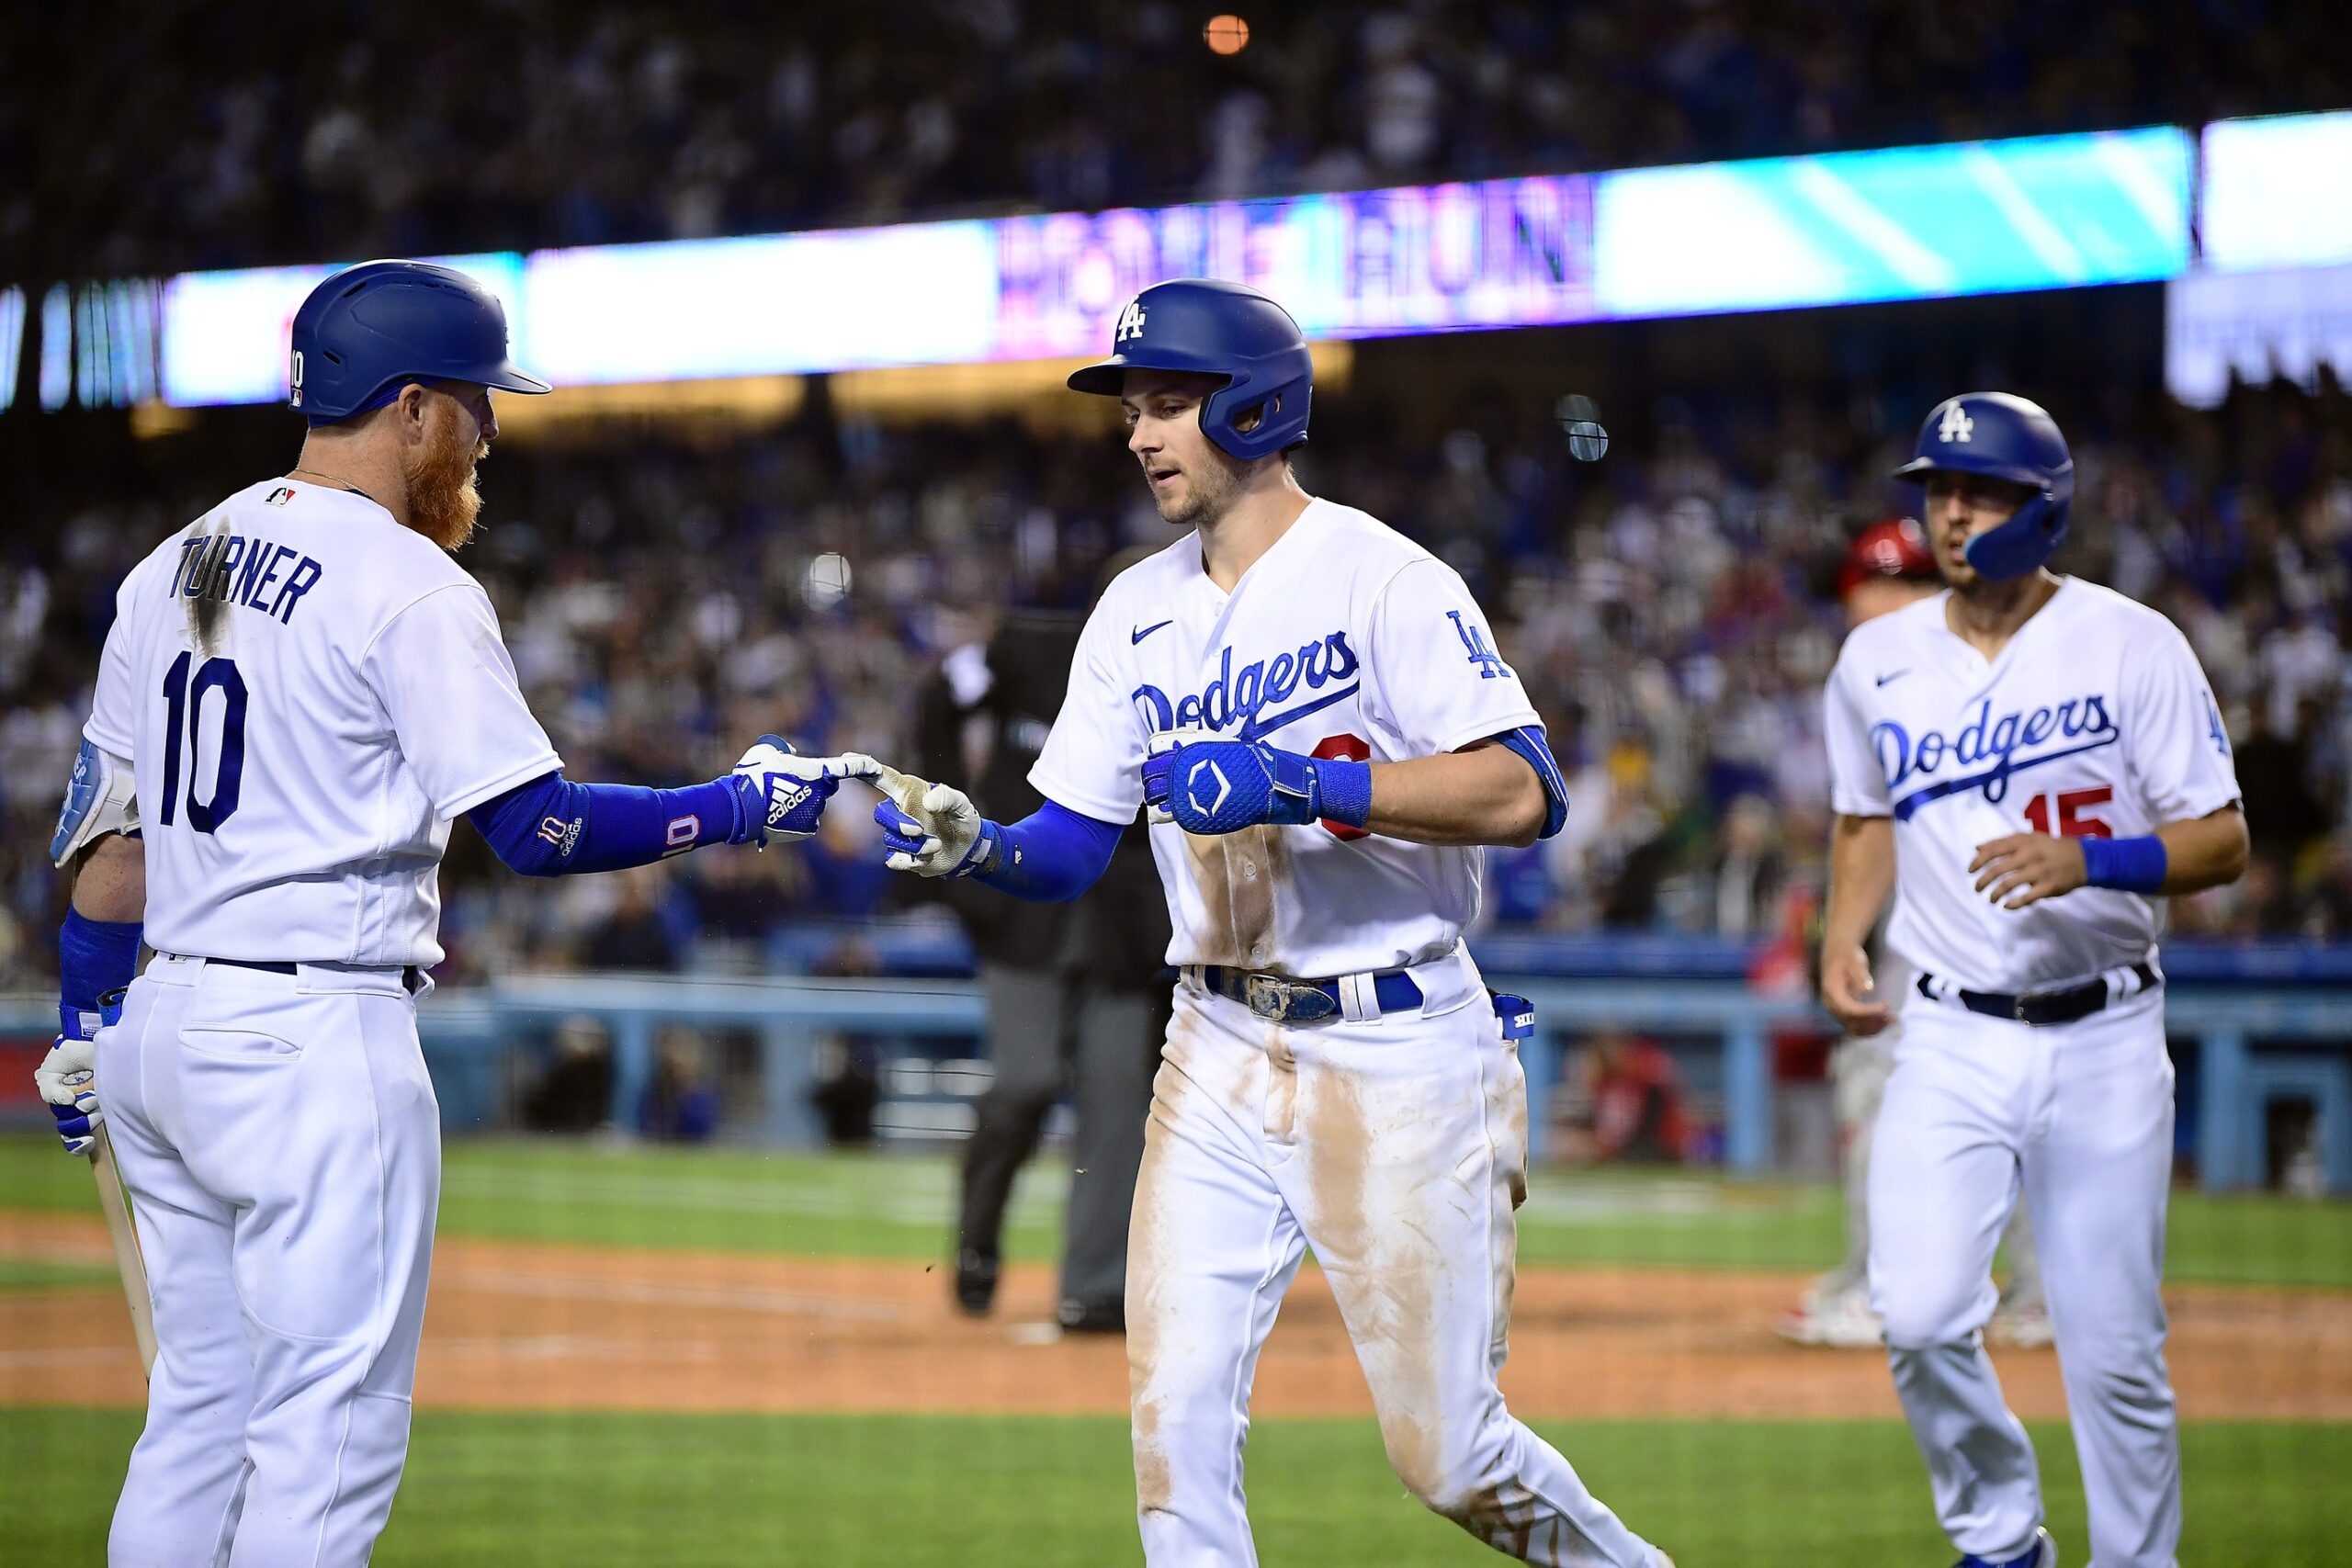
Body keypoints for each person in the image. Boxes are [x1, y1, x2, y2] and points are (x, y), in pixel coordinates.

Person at [33, 258, 857, 1568]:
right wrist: (743, 805)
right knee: (328, 1432)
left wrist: (84, 1020)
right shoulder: (407, 582)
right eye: (474, 404)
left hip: (163, 1030)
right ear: (410, 406)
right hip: (310, 1037)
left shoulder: (167, 567)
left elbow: (108, 864)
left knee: (194, 1419)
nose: (487, 434)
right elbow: (539, 828)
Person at [849, 278, 1672, 1566]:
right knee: (1173, 1427)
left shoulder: (1381, 575)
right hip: (1216, 1039)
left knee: (1449, 1454)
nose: (1138, 432)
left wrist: (1310, 783)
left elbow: (1526, 788)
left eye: (1168, 403)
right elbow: (1070, 847)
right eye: (1134, 406)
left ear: (1254, 406)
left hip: (1395, 1039)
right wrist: (982, 847)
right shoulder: (1133, 609)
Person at [1819, 393, 2247, 1568]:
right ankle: (2002, 1539)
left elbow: (2221, 839)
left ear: (2043, 506)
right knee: (1913, 1312)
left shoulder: (2127, 641)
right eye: (1939, 491)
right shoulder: (1874, 659)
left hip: (2104, 1029)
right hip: (1948, 1031)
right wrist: (1839, 936)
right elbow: (1864, 822)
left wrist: (2091, 860)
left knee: (2112, 1347)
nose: (1952, 513)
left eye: (1982, 491)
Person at [1783, 519, 2050, 1351]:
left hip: (1954, 925)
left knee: (1886, 1094)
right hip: (1982, 922)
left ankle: (1885, 1285)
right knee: (2006, 1109)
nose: (1851, 605)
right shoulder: (1975, 665)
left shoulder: (1907, 675)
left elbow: (1889, 824)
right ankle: (2030, 1289)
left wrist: (1847, 933)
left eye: (1863, 587)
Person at [915, 599, 1170, 1332]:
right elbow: (939, 699)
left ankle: (1093, 1289)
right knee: (1026, 1080)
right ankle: (979, 1229)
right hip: (1023, 913)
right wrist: (952, 837)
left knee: (1119, 1104)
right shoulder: (1027, 647)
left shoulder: (1176, 665)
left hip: (1122, 924)